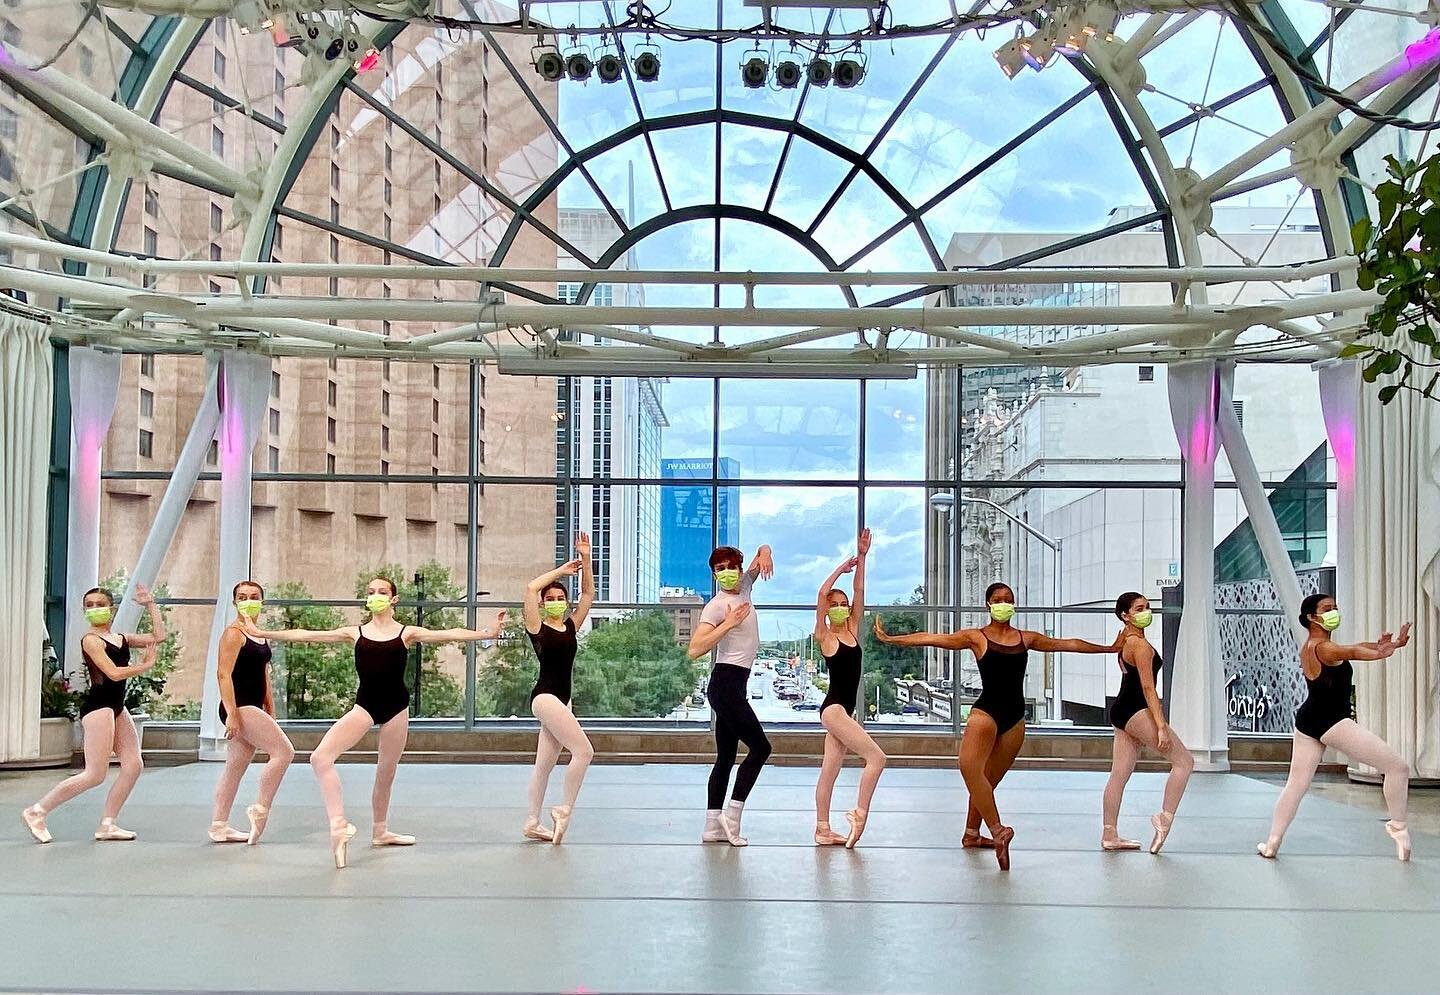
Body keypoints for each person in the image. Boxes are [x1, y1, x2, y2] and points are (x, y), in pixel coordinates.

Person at [245, 577, 505, 868]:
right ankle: (338, 824)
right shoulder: (355, 633)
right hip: (365, 707)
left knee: (386, 774)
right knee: (320, 757)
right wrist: (261, 631)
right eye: (371, 592)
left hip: (397, 709)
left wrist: (487, 632)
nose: (376, 596)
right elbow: (305, 634)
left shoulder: (407, 633)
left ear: (394, 599)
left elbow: (449, 633)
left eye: (382, 592)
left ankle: (380, 831)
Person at [873, 582, 1120, 870]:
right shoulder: (977, 638)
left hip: (1015, 718)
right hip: (986, 711)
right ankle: (998, 831)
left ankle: (972, 834)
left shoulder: (1025, 638)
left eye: (1008, 599)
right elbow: (933, 638)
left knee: (986, 782)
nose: (1004, 603)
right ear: (988, 605)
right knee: (969, 767)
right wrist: (893, 639)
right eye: (998, 599)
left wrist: (1108, 648)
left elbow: (1068, 644)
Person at [1258, 593, 1413, 861]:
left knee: (1295, 785)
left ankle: (1272, 843)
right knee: (1397, 767)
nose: (1334, 612)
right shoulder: (1323, 648)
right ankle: (1398, 828)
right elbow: (1351, 651)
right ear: (1311, 617)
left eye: (1335, 608)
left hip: (1309, 720)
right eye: (1328, 609)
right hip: (1331, 721)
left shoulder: (1314, 645)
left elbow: (1352, 647)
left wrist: (1386, 646)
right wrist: (1380, 654)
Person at [21, 585, 164, 844]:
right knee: (94, 774)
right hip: (99, 708)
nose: (95, 609)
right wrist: (144, 666)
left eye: (100, 604)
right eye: (90, 605)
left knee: (133, 765)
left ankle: (108, 824)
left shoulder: (120, 638)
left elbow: (158, 636)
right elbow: (113, 673)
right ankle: (37, 811)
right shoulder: (91, 640)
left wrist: (150, 605)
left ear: (111, 608)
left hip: (117, 707)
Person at [688, 543, 774, 847]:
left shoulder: (746, 587)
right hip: (725, 684)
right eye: (719, 569)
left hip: (736, 684)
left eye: (730, 567)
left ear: (738, 569)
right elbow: (695, 650)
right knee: (761, 748)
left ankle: (712, 827)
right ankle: (732, 818)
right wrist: (729, 623)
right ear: (714, 574)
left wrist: (765, 552)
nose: (726, 573)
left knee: (725, 757)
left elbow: (759, 555)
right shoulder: (716, 606)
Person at [1100, 592, 1194, 854]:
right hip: (1136, 710)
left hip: (1122, 710)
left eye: (1148, 607)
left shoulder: (1126, 641)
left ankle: (1110, 834)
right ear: (1125, 615)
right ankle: (1164, 818)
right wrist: (1161, 725)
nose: (1146, 612)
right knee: (1185, 762)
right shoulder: (1139, 646)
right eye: (1139, 608)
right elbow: (1148, 688)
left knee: (1119, 775)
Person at [521, 532, 596, 845]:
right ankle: (564, 808)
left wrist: (587, 558)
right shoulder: (537, 628)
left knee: (544, 765)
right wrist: (561, 571)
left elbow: (589, 595)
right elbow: (529, 588)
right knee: (584, 751)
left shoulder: (570, 627)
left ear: (566, 602)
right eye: (549, 599)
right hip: (545, 697)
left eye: (559, 598)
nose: (554, 602)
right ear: (541, 604)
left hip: (561, 701)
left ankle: (532, 822)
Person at [812, 528, 886, 848]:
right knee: (877, 758)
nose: (842, 606)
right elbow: (820, 594)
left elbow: (860, 590)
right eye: (836, 604)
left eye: (844, 603)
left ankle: (822, 828)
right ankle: (859, 813)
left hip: (844, 711)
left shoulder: (853, 628)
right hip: (834, 710)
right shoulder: (825, 636)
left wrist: (863, 558)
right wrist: (841, 568)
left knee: (830, 770)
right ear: (829, 610)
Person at [208, 580, 295, 845]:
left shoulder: (258, 633)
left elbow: (263, 673)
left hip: (254, 705)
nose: (248, 600)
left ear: (261, 601)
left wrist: (270, 705)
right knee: (284, 752)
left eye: (253, 596)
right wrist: (232, 713)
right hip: (240, 705)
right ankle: (260, 808)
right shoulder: (233, 634)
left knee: (234, 768)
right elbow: (223, 674)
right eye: (242, 596)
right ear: (235, 602)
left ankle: (219, 826)